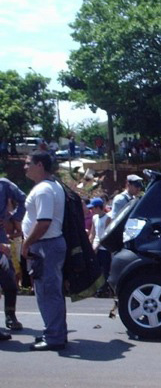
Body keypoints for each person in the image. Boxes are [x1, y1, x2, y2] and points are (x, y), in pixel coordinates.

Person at [21, 150, 67, 351]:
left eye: (28, 163)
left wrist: (26, 243)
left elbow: (43, 222)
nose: (25, 167)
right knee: (50, 292)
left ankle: (54, 337)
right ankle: (54, 332)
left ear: (40, 165)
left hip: (45, 246)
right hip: (48, 245)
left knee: (47, 293)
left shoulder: (44, 190)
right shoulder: (52, 186)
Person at [0, 178, 26, 333]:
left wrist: (14, 218)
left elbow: (23, 200)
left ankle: (10, 315)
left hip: (2, 238)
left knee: (9, 279)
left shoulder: (4, 185)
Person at [87, 197, 111, 296]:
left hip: (104, 248)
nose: (91, 210)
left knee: (104, 270)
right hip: (95, 246)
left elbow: (105, 234)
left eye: (93, 208)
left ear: (98, 207)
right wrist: (90, 244)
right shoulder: (94, 218)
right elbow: (93, 232)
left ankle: (103, 289)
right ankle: (96, 288)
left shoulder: (107, 218)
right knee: (95, 269)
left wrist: (97, 246)